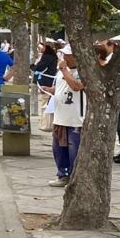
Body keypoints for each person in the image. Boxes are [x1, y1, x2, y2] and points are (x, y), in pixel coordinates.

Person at [43, 44, 84, 187]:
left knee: (74, 149)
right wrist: (50, 89)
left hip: (76, 118)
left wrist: (64, 70)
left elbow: (76, 86)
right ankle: (63, 174)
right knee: (59, 148)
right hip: (60, 115)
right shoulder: (61, 72)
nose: (64, 57)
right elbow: (61, 86)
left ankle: (75, 177)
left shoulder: (82, 71)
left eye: (68, 55)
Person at [31, 42, 58, 131]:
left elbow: (39, 67)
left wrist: (34, 65)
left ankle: (45, 124)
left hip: (45, 81)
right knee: (46, 101)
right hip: (49, 80)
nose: (40, 49)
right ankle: (46, 123)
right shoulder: (53, 57)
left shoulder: (46, 57)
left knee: (45, 102)